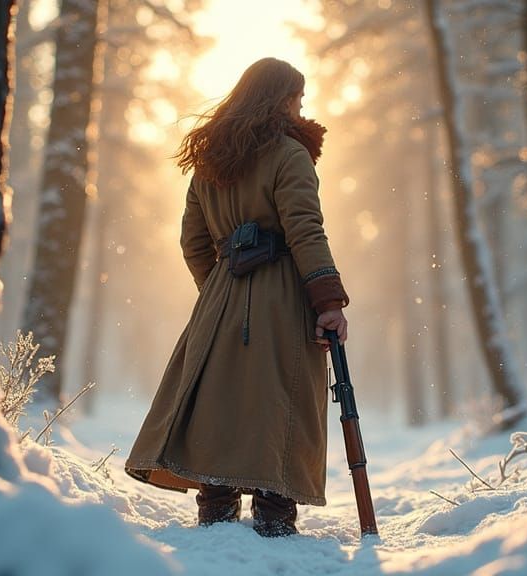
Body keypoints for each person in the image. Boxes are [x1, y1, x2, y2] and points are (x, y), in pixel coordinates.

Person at [124, 57, 350, 538]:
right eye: (298, 99)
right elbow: (305, 230)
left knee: (218, 400)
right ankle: (274, 517)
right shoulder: (290, 154)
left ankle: (216, 514)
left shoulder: (210, 163)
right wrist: (328, 301)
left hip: (220, 294)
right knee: (282, 398)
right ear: (281, 100)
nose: (301, 108)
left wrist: (221, 289)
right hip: (283, 291)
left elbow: (193, 243)